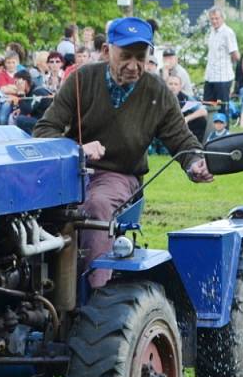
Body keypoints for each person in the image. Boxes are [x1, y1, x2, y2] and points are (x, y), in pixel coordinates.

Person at [33, 17, 212, 288]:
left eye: (141, 57)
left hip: (119, 175)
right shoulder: (82, 80)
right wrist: (77, 150)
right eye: (125, 56)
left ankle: (95, 293)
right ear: (107, 51)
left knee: (96, 206)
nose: (133, 65)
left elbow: (182, 140)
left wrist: (195, 163)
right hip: (69, 172)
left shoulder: (158, 92)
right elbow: (44, 130)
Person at [204, 6, 239, 115]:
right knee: (208, 106)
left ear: (222, 18)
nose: (214, 21)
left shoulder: (227, 32)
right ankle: (211, 131)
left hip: (223, 77)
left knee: (222, 109)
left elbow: (236, 55)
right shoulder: (211, 32)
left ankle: (225, 131)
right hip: (210, 76)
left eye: (217, 18)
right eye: (212, 19)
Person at [167, 74, 207, 143]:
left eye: (176, 84)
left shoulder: (186, 98)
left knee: (201, 120)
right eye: (170, 84)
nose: (173, 86)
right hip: (165, 126)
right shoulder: (160, 97)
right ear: (166, 85)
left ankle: (195, 145)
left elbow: (203, 111)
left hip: (181, 124)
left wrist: (187, 118)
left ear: (180, 87)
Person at [11, 69, 52, 134]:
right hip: (39, 119)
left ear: (25, 82)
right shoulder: (29, 92)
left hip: (47, 123)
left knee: (20, 119)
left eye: (17, 82)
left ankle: (30, 139)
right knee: (15, 116)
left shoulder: (38, 91)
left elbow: (26, 111)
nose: (16, 85)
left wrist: (21, 94)